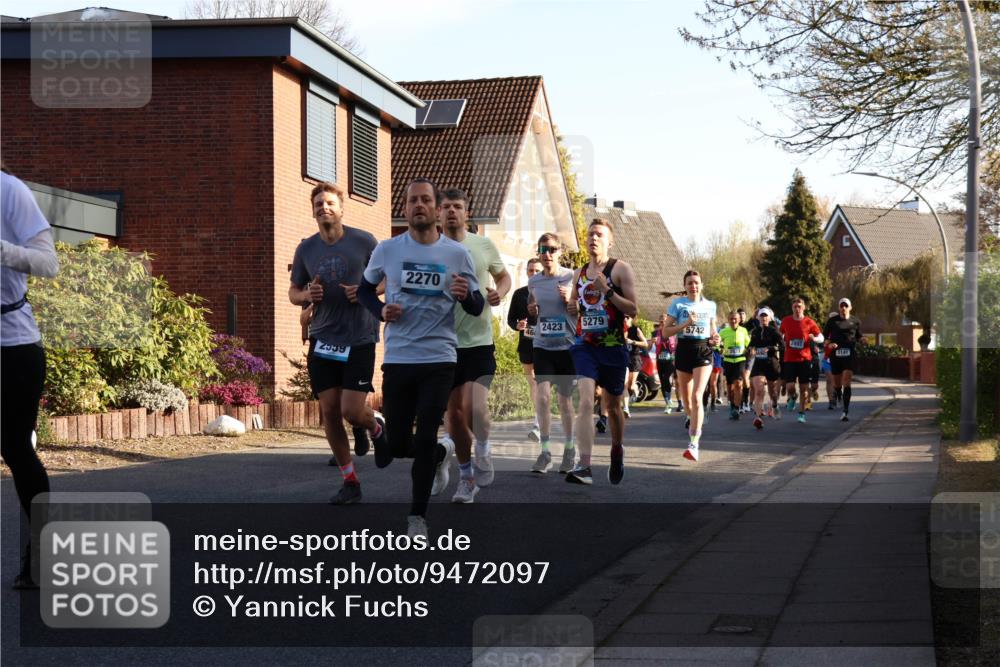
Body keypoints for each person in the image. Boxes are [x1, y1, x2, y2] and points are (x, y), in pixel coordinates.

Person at [357, 178, 483, 537]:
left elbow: (476, 306)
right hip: (399, 356)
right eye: (413, 201)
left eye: (426, 200)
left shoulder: (456, 254)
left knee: (426, 435)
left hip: (439, 357)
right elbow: (365, 290)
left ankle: (417, 518)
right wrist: (380, 310)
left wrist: (465, 296)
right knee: (399, 445)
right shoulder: (387, 250)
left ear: (436, 208)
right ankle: (391, 436)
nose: (419, 206)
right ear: (406, 207)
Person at [289, 182, 387, 506]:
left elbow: (387, 278)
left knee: (351, 410)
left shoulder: (364, 242)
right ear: (313, 210)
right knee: (329, 412)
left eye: (329, 203)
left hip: (359, 337)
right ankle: (350, 481)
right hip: (324, 337)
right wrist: (306, 296)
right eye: (318, 204)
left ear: (341, 208)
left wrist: (365, 291)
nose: (324, 208)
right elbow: (293, 292)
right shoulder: (306, 249)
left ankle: (374, 427)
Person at [2, 166, 60, 589]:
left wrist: (3, 251)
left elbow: (48, 263)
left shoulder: (10, 191)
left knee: (15, 448)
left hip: (14, 347)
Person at [435, 189, 511, 503]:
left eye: (458, 207)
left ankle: (482, 451)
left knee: (475, 407)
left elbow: (503, 276)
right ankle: (465, 477)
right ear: (438, 214)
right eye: (447, 207)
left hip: (478, 340)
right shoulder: (430, 248)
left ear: (467, 214)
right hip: (443, 342)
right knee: (453, 415)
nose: (452, 211)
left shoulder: (482, 245)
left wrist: (500, 293)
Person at [565, 218, 639, 485]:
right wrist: (572, 307)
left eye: (599, 235)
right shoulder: (579, 273)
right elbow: (575, 305)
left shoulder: (620, 269)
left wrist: (607, 291)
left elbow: (632, 309)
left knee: (614, 407)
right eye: (590, 235)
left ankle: (617, 450)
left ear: (610, 241)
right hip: (584, 345)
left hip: (613, 347)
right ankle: (584, 465)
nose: (593, 238)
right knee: (585, 401)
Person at [526, 233, 576, 474]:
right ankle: (545, 452)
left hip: (566, 347)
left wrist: (571, 301)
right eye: (543, 249)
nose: (547, 254)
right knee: (543, 397)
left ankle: (569, 450)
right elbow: (534, 315)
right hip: (542, 345)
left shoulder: (571, 277)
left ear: (560, 252)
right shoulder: (533, 282)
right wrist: (532, 313)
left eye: (552, 250)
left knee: (564, 401)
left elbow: (582, 311)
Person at [660, 270, 720, 462]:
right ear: (685, 286)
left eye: (696, 283)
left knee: (696, 396)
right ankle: (691, 417)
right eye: (689, 283)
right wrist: (685, 323)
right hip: (684, 350)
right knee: (687, 402)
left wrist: (716, 338)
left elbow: (713, 331)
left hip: (703, 350)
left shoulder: (710, 305)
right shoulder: (678, 304)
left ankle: (693, 444)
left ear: (702, 285)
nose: (693, 286)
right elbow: (666, 332)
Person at [507, 258, 542, 441]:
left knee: (541, 382)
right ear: (526, 272)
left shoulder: (549, 292)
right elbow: (511, 319)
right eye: (530, 270)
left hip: (545, 343)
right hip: (527, 343)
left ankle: (538, 423)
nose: (533, 273)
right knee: (533, 383)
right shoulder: (519, 294)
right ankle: (539, 418)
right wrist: (518, 325)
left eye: (537, 270)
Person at [779, 297, 824, 424]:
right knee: (790, 386)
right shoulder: (786, 321)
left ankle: (801, 413)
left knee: (804, 388)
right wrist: (782, 339)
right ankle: (793, 397)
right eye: (795, 306)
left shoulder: (809, 322)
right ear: (792, 308)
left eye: (799, 306)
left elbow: (821, 337)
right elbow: (780, 334)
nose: (797, 309)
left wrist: (814, 339)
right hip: (790, 358)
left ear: (803, 307)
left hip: (804, 359)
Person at [824, 298, 863, 422]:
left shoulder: (855, 321)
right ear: (839, 307)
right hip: (836, 355)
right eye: (841, 306)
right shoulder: (832, 321)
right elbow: (825, 339)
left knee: (847, 380)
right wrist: (829, 345)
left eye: (846, 306)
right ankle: (838, 394)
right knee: (837, 384)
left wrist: (863, 339)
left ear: (850, 307)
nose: (844, 308)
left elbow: (859, 336)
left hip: (849, 354)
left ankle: (845, 411)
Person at [748, 307, 783, 429]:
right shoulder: (755, 331)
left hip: (771, 363)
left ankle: (774, 404)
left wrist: (771, 348)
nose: (763, 318)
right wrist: (751, 349)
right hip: (759, 364)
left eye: (765, 316)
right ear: (758, 318)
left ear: (769, 318)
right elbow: (751, 345)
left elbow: (782, 346)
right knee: (759, 390)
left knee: (772, 391)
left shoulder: (774, 331)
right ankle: (758, 417)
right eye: (761, 316)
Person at [719, 311, 751, 420]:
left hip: (740, 360)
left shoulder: (743, 331)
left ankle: (737, 408)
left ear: (739, 319)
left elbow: (748, 344)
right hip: (728, 361)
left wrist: (748, 350)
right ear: (728, 320)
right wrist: (720, 349)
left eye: (735, 318)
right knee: (730, 388)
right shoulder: (723, 331)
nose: (733, 321)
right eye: (731, 319)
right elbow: (717, 344)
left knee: (738, 384)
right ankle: (732, 406)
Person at [623, 315, 649, 417]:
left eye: (627, 317)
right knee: (624, 385)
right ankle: (626, 408)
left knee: (630, 385)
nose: (625, 319)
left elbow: (645, 343)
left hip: (634, 358)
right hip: (624, 359)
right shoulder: (619, 329)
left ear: (632, 319)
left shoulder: (635, 329)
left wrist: (632, 342)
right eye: (624, 317)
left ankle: (636, 387)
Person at [653, 325, 678, 414]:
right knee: (662, 382)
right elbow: (648, 347)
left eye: (664, 322)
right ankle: (668, 402)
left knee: (666, 379)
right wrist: (652, 342)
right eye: (661, 322)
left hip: (670, 361)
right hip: (660, 360)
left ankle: (670, 401)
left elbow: (676, 347)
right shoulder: (655, 333)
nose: (662, 324)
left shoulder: (673, 333)